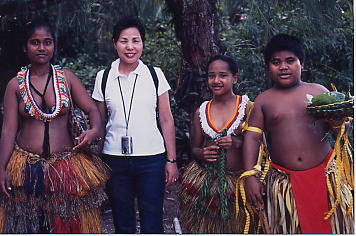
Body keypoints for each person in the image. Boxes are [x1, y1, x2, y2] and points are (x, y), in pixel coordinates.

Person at [0, 18, 109, 233]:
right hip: (26, 166)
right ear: (25, 47)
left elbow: (92, 110)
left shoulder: (67, 78)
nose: (42, 47)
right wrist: (1, 167)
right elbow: (8, 130)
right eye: (35, 42)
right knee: (29, 223)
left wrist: (95, 130)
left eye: (47, 42)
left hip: (66, 166)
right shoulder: (15, 85)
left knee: (68, 224)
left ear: (54, 45)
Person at [242, 34, 354, 234]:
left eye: (290, 60)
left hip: (324, 176)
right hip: (285, 184)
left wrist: (338, 123)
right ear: (268, 66)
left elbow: (339, 133)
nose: (283, 66)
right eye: (276, 62)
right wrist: (250, 175)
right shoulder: (264, 100)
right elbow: (252, 138)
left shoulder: (318, 92)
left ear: (301, 63)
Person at [92, 16, 178, 234]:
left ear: (143, 43)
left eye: (135, 40)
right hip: (114, 160)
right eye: (124, 41)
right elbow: (99, 122)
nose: (130, 47)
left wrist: (171, 160)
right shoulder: (104, 77)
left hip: (152, 159)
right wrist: (95, 159)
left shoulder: (154, 75)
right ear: (114, 43)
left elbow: (166, 119)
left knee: (152, 223)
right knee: (123, 223)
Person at [179, 55, 259, 233]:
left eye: (223, 75)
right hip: (208, 183)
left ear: (234, 78)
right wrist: (202, 153)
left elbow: (261, 145)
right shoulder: (201, 111)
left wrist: (237, 142)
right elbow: (195, 149)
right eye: (211, 76)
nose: (216, 80)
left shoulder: (247, 107)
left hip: (239, 183)